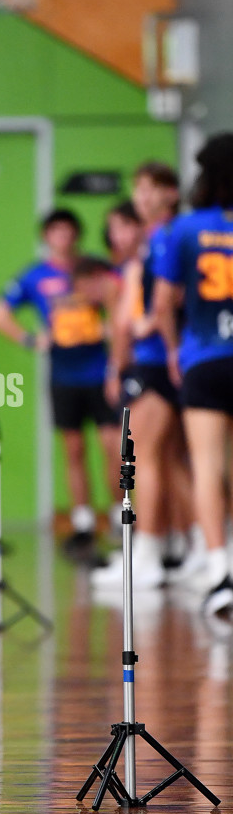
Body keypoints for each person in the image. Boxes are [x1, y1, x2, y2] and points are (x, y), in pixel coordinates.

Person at [0, 209, 122, 556]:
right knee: (74, 450)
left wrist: (113, 329)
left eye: (68, 230)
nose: (62, 237)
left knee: (112, 448)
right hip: (63, 376)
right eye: (55, 231)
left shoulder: (96, 270)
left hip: (101, 372)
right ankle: (82, 524)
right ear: (47, 236)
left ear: (77, 234)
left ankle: (118, 520)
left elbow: (123, 302)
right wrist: (32, 339)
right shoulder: (35, 276)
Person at [94, 163, 201, 590]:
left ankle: (152, 553)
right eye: (136, 189)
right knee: (174, 460)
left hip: (158, 360)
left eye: (149, 189)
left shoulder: (171, 238)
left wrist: (149, 324)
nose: (141, 197)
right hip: (165, 358)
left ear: (170, 194)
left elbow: (160, 304)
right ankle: (203, 548)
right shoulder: (159, 243)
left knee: (144, 458)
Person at [153, 133, 233, 618]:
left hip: (203, 357)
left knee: (205, 465)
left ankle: (221, 572)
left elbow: (163, 304)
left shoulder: (185, 229)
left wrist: (171, 350)